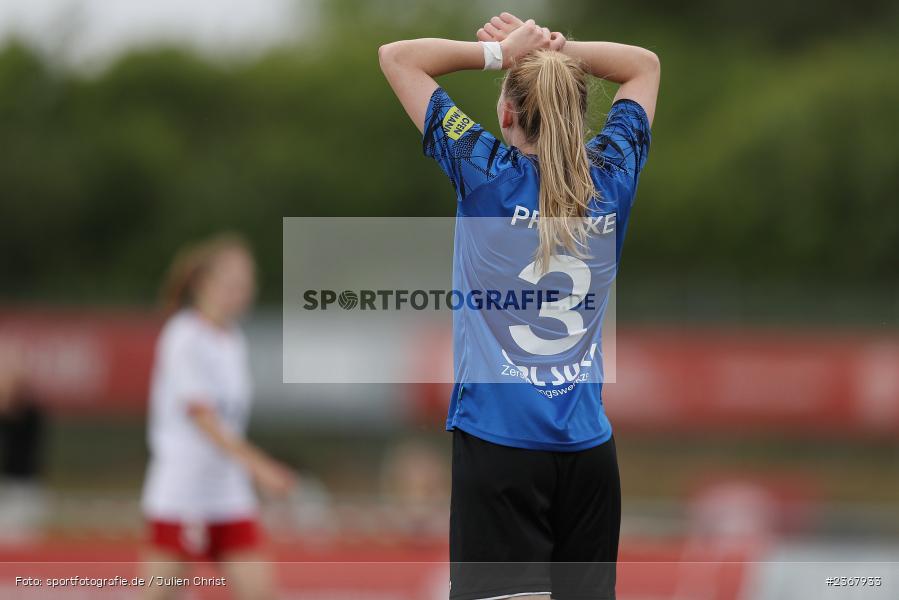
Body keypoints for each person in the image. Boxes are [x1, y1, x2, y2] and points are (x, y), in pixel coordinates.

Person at [380, 12, 659, 600]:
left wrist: (502, 54)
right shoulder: (612, 177)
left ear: (506, 115)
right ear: (577, 114)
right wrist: (561, 51)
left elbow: (398, 56)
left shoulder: (487, 174)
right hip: (588, 452)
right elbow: (643, 66)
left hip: (500, 447)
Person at [141, 233, 297, 600]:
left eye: (246, 282)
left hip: (227, 491)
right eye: (232, 281)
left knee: (260, 591)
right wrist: (259, 467)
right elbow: (204, 419)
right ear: (203, 283)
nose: (242, 290)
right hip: (182, 491)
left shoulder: (232, 340)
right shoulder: (183, 336)